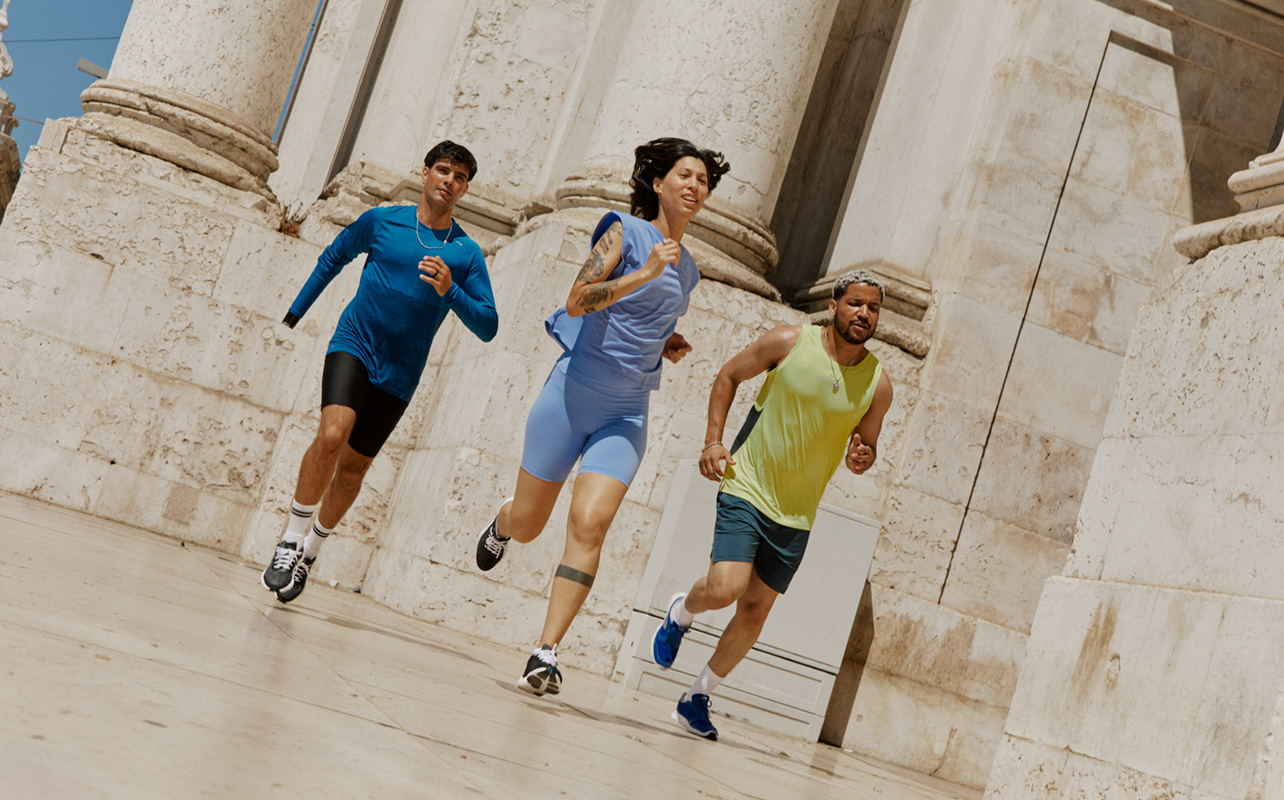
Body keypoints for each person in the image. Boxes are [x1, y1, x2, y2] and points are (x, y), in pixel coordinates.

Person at [473, 137, 731, 696]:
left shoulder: (688, 269)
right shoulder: (624, 231)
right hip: (571, 394)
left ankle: (545, 652)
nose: (694, 186)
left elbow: (644, 321)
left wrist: (665, 341)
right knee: (531, 524)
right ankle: (504, 520)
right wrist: (641, 274)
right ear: (658, 183)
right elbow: (576, 300)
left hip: (628, 409)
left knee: (590, 524)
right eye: (684, 175)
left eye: (703, 181)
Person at [649, 270, 894, 741]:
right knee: (726, 588)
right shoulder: (787, 341)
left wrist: (863, 455)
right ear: (833, 306)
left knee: (755, 611)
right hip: (748, 485)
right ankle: (682, 610)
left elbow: (865, 445)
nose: (864, 314)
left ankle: (696, 697)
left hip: (798, 514)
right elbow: (727, 376)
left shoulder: (878, 384)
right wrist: (712, 442)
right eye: (855, 303)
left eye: (873, 308)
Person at [260, 140, 498, 604]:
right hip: (355, 344)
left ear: (465, 189)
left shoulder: (466, 254)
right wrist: (296, 311)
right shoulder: (383, 221)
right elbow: (335, 255)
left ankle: (311, 551)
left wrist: (452, 291)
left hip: (401, 373)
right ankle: (290, 538)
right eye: (444, 170)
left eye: (461, 177)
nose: (450, 181)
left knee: (352, 470)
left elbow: (487, 324)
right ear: (426, 172)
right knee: (332, 434)